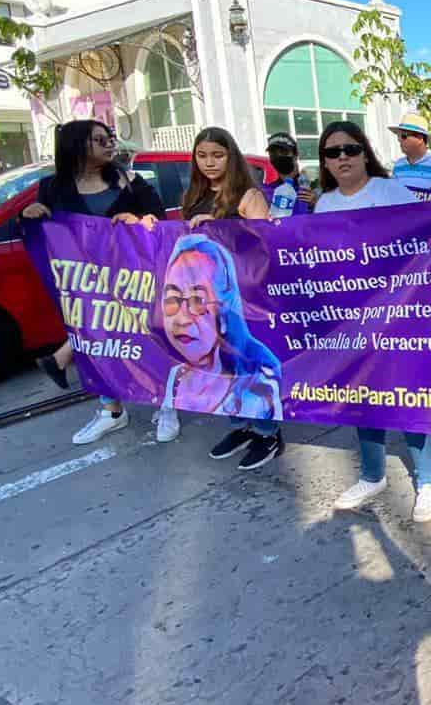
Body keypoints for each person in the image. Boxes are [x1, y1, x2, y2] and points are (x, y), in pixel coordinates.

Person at [315, 120, 431, 522]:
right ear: (324, 161)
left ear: (365, 151)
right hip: (350, 319)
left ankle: (428, 479)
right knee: (363, 397)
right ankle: (373, 475)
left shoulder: (390, 191)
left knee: (407, 395)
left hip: (398, 313)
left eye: (350, 149)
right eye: (333, 152)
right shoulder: (324, 204)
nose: (342, 158)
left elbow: (428, 231)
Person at [23, 120, 176, 445]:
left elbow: (158, 218)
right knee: (95, 344)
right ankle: (111, 411)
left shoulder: (128, 180)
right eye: (100, 140)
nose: (110, 144)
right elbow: (43, 235)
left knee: (148, 341)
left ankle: (166, 405)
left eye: (110, 138)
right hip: (86, 285)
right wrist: (31, 214)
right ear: (78, 146)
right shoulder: (51, 188)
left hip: (134, 279)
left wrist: (140, 221)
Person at [178, 127, 286, 471]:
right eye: (202, 155)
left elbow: (264, 244)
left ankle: (268, 432)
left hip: (243, 295)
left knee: (246, 359)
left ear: (231, 156)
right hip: (205, 298)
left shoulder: (247, 195)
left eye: (217, 155)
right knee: (219, 364)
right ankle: (240, 427)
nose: (210, 163)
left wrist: (223, 227)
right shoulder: (193, 195)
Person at [158, 233, 284, 420]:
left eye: (197, 300)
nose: (182, 318)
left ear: (224, 313)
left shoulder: (256, 389)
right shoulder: (176, 377)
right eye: (172, 299)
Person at [263, 132, 315, 218]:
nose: (279, 156)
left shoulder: (311, 189)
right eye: (273, 154)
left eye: (284, 152)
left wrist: (316, 204)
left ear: (296, 154)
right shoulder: (265, 191)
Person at [389, 112, 431, 192]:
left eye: (403, 136)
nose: (399, 140)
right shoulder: (398, 165)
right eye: (398, 136)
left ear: (420, 138)